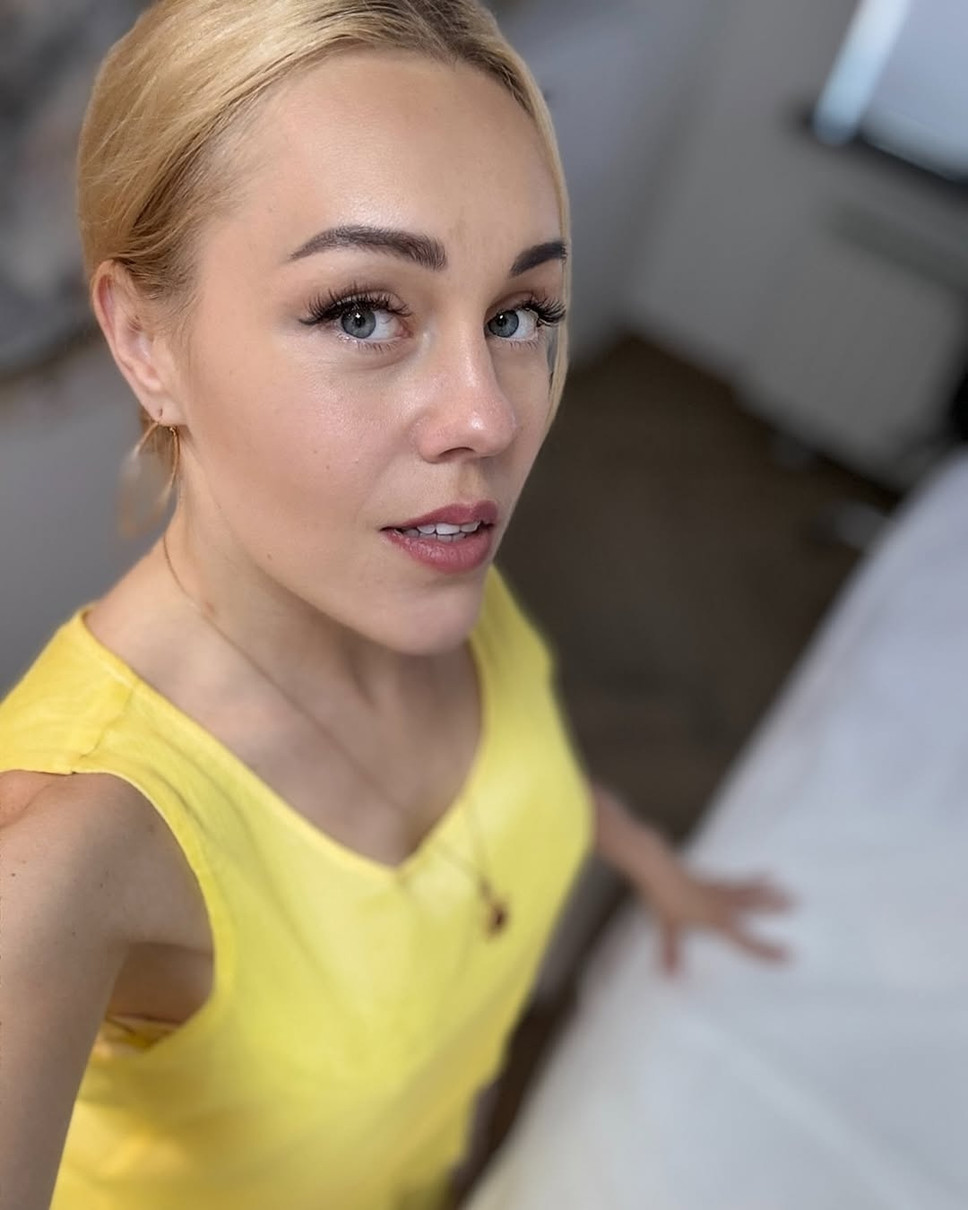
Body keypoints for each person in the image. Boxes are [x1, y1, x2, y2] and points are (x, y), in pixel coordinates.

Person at [0, 2, 793, 1208]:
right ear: (145, 340)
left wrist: (653, 871)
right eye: (362, 311)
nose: (489, 415)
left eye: (518, 314)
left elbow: (525, 773)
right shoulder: (66, 853)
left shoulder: (435, 575)